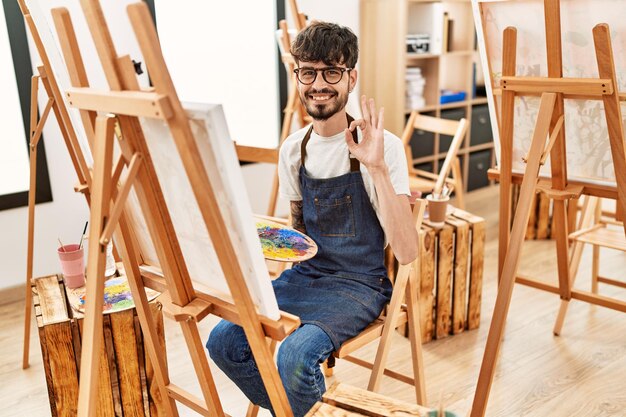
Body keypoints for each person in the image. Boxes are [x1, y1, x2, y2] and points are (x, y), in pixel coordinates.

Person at [206, 21, 418, 417]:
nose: (319, 83)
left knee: (294, 357)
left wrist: (377, 169)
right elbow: (299, 238)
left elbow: (407, 252)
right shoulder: (293, 149)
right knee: (222, 341)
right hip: (305, 277)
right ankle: (310, 410)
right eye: (308, 71)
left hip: (359, 284)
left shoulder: (382, 146)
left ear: (351, 78)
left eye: (332, 72)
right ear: (297, 76)